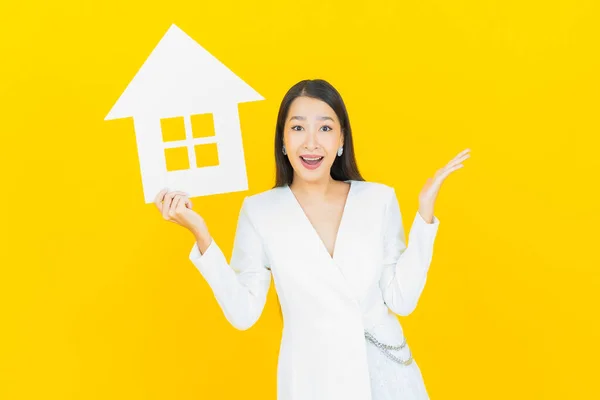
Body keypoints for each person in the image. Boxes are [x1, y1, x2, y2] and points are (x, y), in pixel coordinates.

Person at [154, 79, 470, 400]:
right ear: (282, 140)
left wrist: (425, 215)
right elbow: (243, 312)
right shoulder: (260, 210)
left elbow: (402, 300)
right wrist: (201, 234)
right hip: (312, 380)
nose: (311, 143)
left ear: (342, 137)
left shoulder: (378, 200)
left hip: (384, 377)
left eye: (325, 128)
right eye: (297, 128)